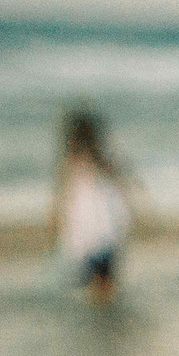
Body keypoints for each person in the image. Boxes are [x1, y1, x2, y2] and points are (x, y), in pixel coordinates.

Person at [50, 105, 134, 305]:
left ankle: (100, 305)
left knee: (92, 272)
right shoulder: (102, 157)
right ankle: (106, 302)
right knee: (106, 272)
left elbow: (63, 191)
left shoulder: (72, 159)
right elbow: (121, 182)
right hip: (106, 220)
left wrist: (55, 217)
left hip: (85, 222)